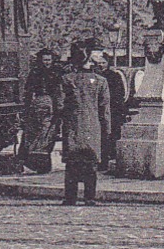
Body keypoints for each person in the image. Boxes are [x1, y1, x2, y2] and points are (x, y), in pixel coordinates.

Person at [58, 43, 113, 206]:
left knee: (72, 164)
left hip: (73, 126)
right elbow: (105, 109)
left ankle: (70, 197)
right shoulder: (100, 81)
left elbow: (60, 105)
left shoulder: (66, 80)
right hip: (93, 127)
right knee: (90, 164)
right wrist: (107, 129)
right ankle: (89, 197)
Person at [20, 49, 63, 173]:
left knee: (48, 134)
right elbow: (28, 91)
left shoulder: (56, 73)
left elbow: (59, 91)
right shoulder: (35, 73)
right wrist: (27, 107)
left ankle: (42, 164)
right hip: (39, 104)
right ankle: (36, 163)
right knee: (37, 133)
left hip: (52, 103)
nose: (47, 63)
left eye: (49, 60)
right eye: (45, 60)